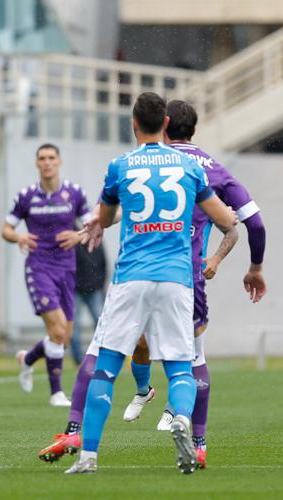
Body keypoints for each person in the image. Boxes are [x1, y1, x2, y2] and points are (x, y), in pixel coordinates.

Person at [64, 92, 237, 474]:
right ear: (166, 124)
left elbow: (105, 217)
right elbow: (225, 220)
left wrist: (100, 220)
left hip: (132, 277)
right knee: (180, 368)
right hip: (177, 278)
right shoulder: (189, 167)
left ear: (133, 124)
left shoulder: (120, 165)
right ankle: (181, 420)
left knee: (107, 367)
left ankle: (89, 457)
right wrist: (226, 225)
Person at [121, 100, 267, 469]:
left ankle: (91, 431)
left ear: (164, 123)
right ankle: (196, 440)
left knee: (130, 344)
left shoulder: (146, 163)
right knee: (192, 355)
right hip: (187, 279)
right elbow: (255, 223)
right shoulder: (211, 169)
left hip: (141, 272)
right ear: (195, 129)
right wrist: (254, 267)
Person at [2, 144, 90, 407]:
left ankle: (28, 359)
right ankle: (56, 393)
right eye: (42, 158)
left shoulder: (74, 193)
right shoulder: (27, 196)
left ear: (59, 161)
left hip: (67, 268)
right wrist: (18, 237)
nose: (47, 162)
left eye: (51, 157)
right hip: (39, 267)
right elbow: (6, 229)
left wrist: (78, 235)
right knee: (58, 329)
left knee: (63, 337)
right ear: (37, 163)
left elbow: (91, 226)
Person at [70, 243, 107, 365]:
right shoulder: (73, 241)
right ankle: (78, 360)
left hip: (94, 289)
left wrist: (101, 285)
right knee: (74, 324)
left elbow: (103, 263)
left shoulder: (97, 240)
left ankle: (102, 355)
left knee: (100, 322)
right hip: (76, 290)